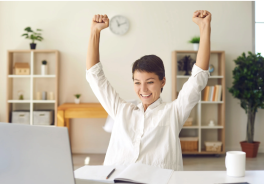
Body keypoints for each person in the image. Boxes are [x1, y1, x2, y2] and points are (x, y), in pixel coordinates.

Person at [86, 10, 211, 171]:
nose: (143, 89)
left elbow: (198, 78)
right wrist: (95, 32)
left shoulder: (174, 112)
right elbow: (94, 76)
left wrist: (204, 27)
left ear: (162, 82)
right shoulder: (121, 110)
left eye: (150, 82)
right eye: (137, 82)